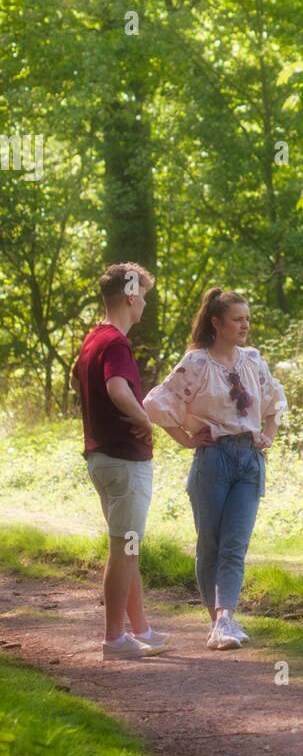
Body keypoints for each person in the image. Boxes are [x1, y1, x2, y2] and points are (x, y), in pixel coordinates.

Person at [143, 287, 287, 651]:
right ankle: (219, 622)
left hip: (249, 461)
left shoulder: (253, 360)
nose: (245, 325)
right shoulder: (196, 363)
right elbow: (156, 403)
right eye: (238, 319)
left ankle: (225, 620)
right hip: (213, 460)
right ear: (216, 323)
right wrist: (185, 439)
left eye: (247, 319)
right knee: (211, 545)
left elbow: (274, 401)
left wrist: (268, 433)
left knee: (235, 545)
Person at [73, 263, 169, 659]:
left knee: (126, 546)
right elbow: (116, 389)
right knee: (125, 549)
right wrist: (143, 420)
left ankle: (140, 629)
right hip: (124, 462)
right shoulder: (115, 343)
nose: (145, 302)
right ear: (130, 297)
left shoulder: (92, 338)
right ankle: (115, 638)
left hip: (101, 459)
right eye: (143, 294)